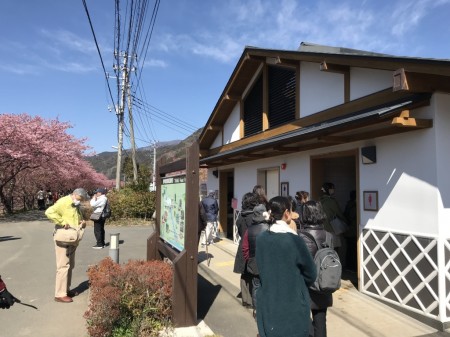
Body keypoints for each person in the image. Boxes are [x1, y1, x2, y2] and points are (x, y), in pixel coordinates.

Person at [255, 196, 317, 337]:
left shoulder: (261, 239)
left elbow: (261, 267)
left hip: (268, 300)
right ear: (287, 213)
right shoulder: (295, 240)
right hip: (292, 302)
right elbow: (311, 274)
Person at [45, 188, 88, 303]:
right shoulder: (64, 201)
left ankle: (66, 290)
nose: (80, 201)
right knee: (63, 266)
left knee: (70, 265)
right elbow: (49, 212)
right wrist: (62, 222)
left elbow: (74, 217)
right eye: (80, 199)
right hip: (63, 238)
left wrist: (81, 222)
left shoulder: (75, 204)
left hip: (72, 238)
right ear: (74, 195)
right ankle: (60, 294)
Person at [299, 200, 333, 337]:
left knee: (303, 321)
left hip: (305, 284)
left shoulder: (299, 236)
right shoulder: (328, 235)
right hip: (323, 284)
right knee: (321, 321)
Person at [242, 203, 270, 317]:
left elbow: (245, 248)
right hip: (268, 263)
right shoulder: (270, 228)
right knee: (268, 286)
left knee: (256, 286)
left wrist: (250, 259)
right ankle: (268, 308)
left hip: (254, 263)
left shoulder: (249, 230)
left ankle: (257, 310)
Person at [233, 192, 259, 308]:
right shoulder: (255, 217)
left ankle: (245, 299)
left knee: (244, 274)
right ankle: (254, 300)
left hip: (242, 248)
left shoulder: (241, 216)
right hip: (254, 248)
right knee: (254, 274)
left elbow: (239, 231)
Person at [320, 182, 347, 267]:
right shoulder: (331, 201)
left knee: (325, 249)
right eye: (332, 188)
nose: (333, 190)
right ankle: (335, 266)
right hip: (332, 228)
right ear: (328, 189)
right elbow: (339, 213)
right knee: (335, 248)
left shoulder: (319, 200)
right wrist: (347, 222)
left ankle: (325, 266)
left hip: (323, 228)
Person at [344, 190, 357, 271]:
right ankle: (351, 267)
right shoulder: (353, 205)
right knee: (352, 250)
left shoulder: (349, 204)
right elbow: (351, 217)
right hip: (352, 231)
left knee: (350, 249)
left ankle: (349, 266)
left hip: (349, 230)